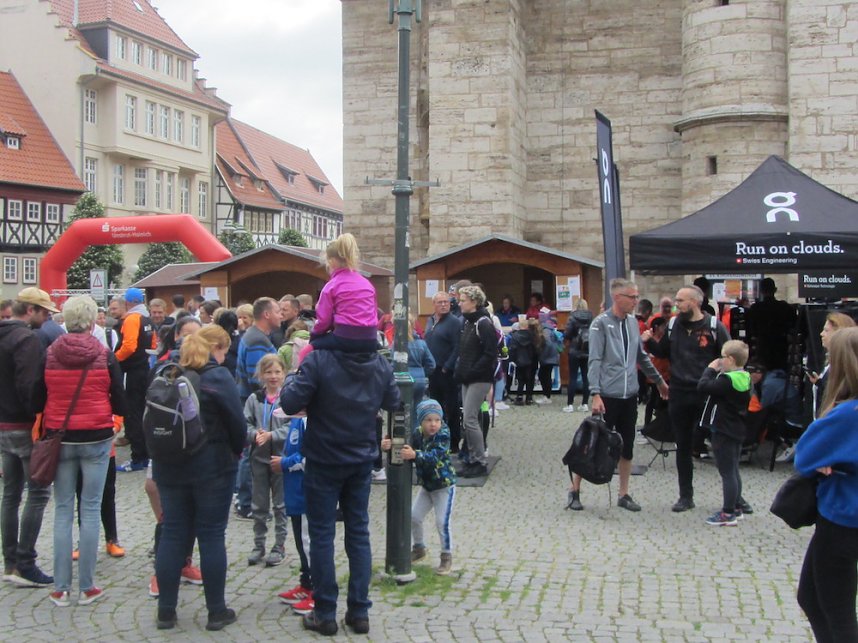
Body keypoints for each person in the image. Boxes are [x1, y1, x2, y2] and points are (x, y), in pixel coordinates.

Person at [279, 328, 400, 636]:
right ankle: (359, 612)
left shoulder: (319, 359)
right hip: (360, 456)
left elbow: (291, 402)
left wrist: (295, 372)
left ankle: (325, 613)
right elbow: (393, 400)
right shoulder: (378, 362)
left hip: (324, 457)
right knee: (358, 532)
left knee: (322, 535)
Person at [153, 325, 245, 632]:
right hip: (212, 469)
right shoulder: (217, 377)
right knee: (211, 535)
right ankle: (216, 612)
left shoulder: (165, 371)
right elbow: (237, 424)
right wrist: (235, 453)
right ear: (215, 348)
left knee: (173, 533)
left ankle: (166, 612)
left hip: (168, 466)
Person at [42, 296, 127, 607]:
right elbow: (120, 401)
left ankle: (61, 588)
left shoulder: (50, 353)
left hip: (60, 437)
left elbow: (39, 396)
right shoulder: (105, 355)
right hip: (96, 436)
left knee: (63, 510)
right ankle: (88, 586)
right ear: (93, 322)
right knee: (90, 509)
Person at [568, 279, 667, 513]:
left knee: (627, 445)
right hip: (607, 395)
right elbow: (595, 360)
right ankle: (575, 489)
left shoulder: (633, 323)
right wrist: (595, 393)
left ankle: (624, 493)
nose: (635, 301)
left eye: (636, 297)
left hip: (629, 394)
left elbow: (640, 356)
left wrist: (660, 381)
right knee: (592, 445)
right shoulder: (600, 324)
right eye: (631, 297)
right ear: (617, 297)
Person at [795, 326, 858, 643]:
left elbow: (805, 456)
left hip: (843, 517)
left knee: (838, 611)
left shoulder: (848, 414)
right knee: (811, 597)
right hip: (842, 515)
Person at [643, 285, 730, 512]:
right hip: (679, 392)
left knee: (720, 444)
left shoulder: (713, 327)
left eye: (680, 300)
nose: (676, 304)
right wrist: (649, 341)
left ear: (694, 302)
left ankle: (734, 496)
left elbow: (728, 356)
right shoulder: (673, 326)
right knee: (682, 445)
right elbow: (663, 352)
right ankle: (685, 496)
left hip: (706, 394)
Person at [0, 288, 55, 587]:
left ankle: (11, 561)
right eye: (44, 312)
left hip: (3, 425)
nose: (47, 317)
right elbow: (29, 385)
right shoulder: (26, 339)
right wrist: (38, 411)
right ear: (30, 310)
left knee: (10, 494)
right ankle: (25, 562)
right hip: (23, 424)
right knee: (37, 493)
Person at [381, 399, 456, 575]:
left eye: (437, 420)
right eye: (428, 420)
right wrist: (389, 445)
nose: (433, 424)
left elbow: (435, 456)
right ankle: (419, 547)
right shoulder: (417, 434)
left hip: (444, 486)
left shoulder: (443, 434)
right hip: (428, 486)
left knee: (442, 522)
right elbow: (404, 445)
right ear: (421, 421)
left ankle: (446, 556)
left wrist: (415, 455)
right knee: (414, 516)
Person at [696, 340, 752, 527]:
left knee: (726, 472)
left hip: (723, 429)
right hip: (737, 428)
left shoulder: (726, 380)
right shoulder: (745, 377)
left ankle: (728, 513)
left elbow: (703, 387)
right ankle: (736, 506)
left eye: (722, 357)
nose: (720, 360)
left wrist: (710, 370)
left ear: (730, 359)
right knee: (734, 469)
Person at [235, 297, 280, 519]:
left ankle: (246, 501)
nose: (281, 315)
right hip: (255, 404)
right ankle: (247, 502)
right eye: (278, 311)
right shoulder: (257, 341)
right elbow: (258, 378)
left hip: (253, 401)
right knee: (251, 451)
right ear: (267, 315)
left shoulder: (257, 336)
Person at [243, 354, 289, 567]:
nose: (273, 376)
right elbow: (245, 424)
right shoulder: (255, 398)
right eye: (269, 372)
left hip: (280, 458)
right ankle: (258, 544)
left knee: (280, 504)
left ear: (284, 374)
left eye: (277, 372)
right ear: (261, 375)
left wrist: (273, 435)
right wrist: (255, 435)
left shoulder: (288, 398)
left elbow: (293, 426)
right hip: (259, 458)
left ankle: (279, 545)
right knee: (259, 504)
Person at [272, 414, 314, 615]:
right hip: (295, 492)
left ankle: (317, 591)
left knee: (309, 543)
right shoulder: (296, 420)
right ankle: (306, 584)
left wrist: (285, 462)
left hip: (307, 491)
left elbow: (309, 457)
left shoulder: (309, 420)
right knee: (300, 541)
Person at [454, 285, 496, 478]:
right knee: (467, 419)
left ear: (474, 301)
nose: (459, 303)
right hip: (468, 376)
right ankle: (471, 458)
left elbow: (490, 354)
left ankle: (479, 461)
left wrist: (472, 371)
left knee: (470, 419)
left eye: (463, 300)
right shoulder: (469, 322)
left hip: (479, 378)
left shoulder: (483, 323)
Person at [310, 233, 378, 353]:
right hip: (371, 338)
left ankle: (299, 372)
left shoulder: (331, 286)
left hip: (345, 338)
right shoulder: (367, 284)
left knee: (306, 350)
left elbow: (323, 321)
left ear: (331, 262)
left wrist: (314, 334)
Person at [114, 287, 155, 473]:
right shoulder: (147, 318)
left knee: (133, 414)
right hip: (144, 369)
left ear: (128, 302)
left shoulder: (132, 318)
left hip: (131, 372)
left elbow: (129, 346)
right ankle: (145, 455)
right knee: (142, 412)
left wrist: (114, 359)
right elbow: (153, 344)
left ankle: (138, 457)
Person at [425, 291, 464, 453]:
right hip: (432, 371)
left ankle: (454, 442)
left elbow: (457, 347)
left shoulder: (454, 322)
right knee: (435, 406)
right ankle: (437, 438)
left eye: (446, 302)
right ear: (434, 304)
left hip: (446, 371)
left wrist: (447, 366)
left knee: (452, 407)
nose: (443, 305)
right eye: (440, 302)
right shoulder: (431, 320)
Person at [806, 312, 855, 419]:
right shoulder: (830, 362)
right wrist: (820, 383)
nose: (822, 334)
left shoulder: (844, 366)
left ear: (839, 333)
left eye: (826, 330)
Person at [748, 277, 796, 371]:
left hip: (762, 346)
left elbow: (751, 329)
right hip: (780, 347)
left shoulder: (755, 308)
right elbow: (793, 325)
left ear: (761, 291)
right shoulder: (784, 307)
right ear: (775, 290)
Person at [563, 298, 593, 413]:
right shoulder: (591, 317)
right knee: (586, 377)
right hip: (587, 349)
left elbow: (567, 333)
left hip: (575, 349)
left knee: (573, 376)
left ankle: (570, 404)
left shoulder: (573, 317)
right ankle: (584, 403)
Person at [508, 319, 540, 406]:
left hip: (519, 361)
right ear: (527, 326)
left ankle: (519, 397)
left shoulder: (515, 336)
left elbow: (512, 349)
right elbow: (536, 349)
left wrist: (512, 360)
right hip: (531, 361)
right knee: (530, 380)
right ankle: (529, 398)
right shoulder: (533, 336)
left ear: (519, 326)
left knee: (520, 380)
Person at [407, 315, 435, 404]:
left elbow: (393, 364)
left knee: (402, 411)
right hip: (420, 380)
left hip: (403, 380)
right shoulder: (422, 343)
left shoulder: (398, 344)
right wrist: (422, 373)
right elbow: (431, 364)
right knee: (417, 409)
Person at [535, 312, 562, 405]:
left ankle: (546, 396)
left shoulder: (545, 330)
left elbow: (548, 344)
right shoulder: (549, 329)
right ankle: (547, 396)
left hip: (547, 358)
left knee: (543, 376)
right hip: (552, 357)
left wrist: (542, 355)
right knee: (546, 376)